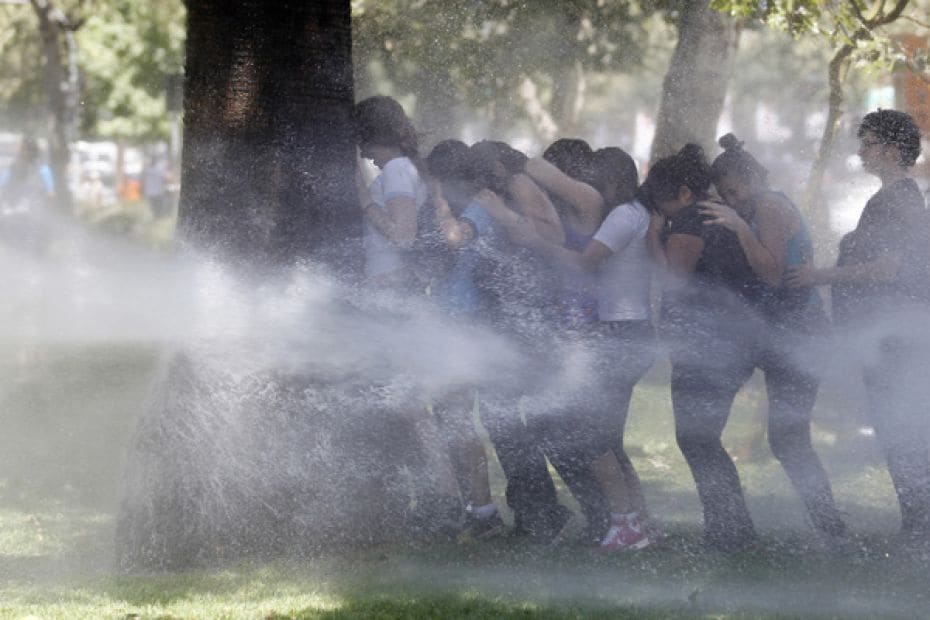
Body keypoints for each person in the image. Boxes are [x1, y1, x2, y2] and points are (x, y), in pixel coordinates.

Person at [502, 146, 658, 551]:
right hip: (623, 334)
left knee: (589, 436)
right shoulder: (630, 214)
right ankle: (638, 523)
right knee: (604, 438)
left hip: (621, 335)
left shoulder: (625, 216)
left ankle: (627, 524)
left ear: (610, 182)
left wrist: (535, 240)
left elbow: (585, 263)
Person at [787, 109, 930, 546]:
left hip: (896, 339)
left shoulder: (897, 200)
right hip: (895, 335)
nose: (861, 151)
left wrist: (818, 277)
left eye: (868, 143)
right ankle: (917, 526)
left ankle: (919, 530)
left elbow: (888, 268)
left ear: (891, 150)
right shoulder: (898, 197)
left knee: (901, 428)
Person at [698, 133, 846, 542]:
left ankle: (832, 530)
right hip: (773, 334)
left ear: (753, 180)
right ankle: (739, 526)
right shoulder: (758, 205)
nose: (731, 201)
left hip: (800, 335)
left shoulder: (769, 206)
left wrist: (741, 229)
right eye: (725, 195)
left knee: (788, 438)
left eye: (735, 191)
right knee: (764, 434)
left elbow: (772, 273)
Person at [353, 96, 462, 540]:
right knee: (405, 404)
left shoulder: (397, 170)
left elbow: (403, 235)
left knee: (411, 405)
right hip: (393, 299)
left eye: (363, 142)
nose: (362, 153)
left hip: (394, 299)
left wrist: (363, 202)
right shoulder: (399, 170)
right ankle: (442, 498)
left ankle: (448, 500)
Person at [645, 144, 762, 552]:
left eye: (662, 204)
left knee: (697, 437)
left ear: (682, 193)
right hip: (726, 342)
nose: (661, 213)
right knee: (700, 437)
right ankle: (730, 529)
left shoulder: (693, 219)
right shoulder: (714, 213)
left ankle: (730, 532)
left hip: (710, 346)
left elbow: (673, 279)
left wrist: (651, 240)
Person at [423, 139, 505, 540]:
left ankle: (484, 511)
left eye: (437, 180)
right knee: (450, 418)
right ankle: (473, 507)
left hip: (465, 324)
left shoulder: (478, 208)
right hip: (451, 323)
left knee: (457, 418)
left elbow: (456, 239)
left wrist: (437, 197)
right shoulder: (469, 207)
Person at [0, 136, 55, 253]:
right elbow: (51, 195)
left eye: (19, 147)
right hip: (33, 210)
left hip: (14, 208)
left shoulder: (14, 166)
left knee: (15, 239)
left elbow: (2, 183)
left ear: (23, 149)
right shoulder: (43, 168)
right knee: (32, 239)